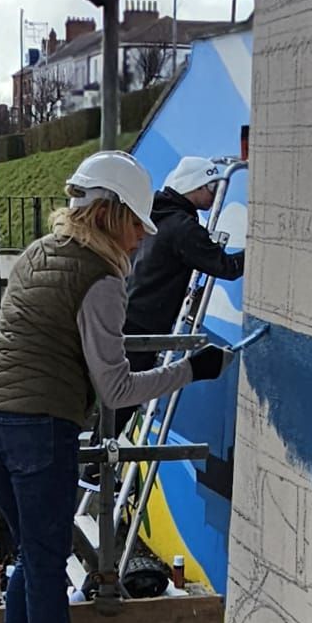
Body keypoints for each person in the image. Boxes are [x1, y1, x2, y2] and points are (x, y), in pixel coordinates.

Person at [0, 149, 231, 623]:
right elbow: (113, 387)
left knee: (30, 557)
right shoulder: (102, 279)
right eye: (139, 223)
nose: (143, 237)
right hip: (40, 428)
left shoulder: (38, 253)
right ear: (111, 214)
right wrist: (192, 369)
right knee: (45, 560)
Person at [113, 155, 246, 437]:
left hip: (125, 313)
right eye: (209, 188)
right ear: (193, 187)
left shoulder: (153, 217)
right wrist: (263, 247)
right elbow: (227, 267)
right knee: (128, 395)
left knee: (117, 393)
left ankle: (96, 456)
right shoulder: (183, 227)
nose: (212, 195)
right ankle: (96, 465)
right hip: (147, 324)